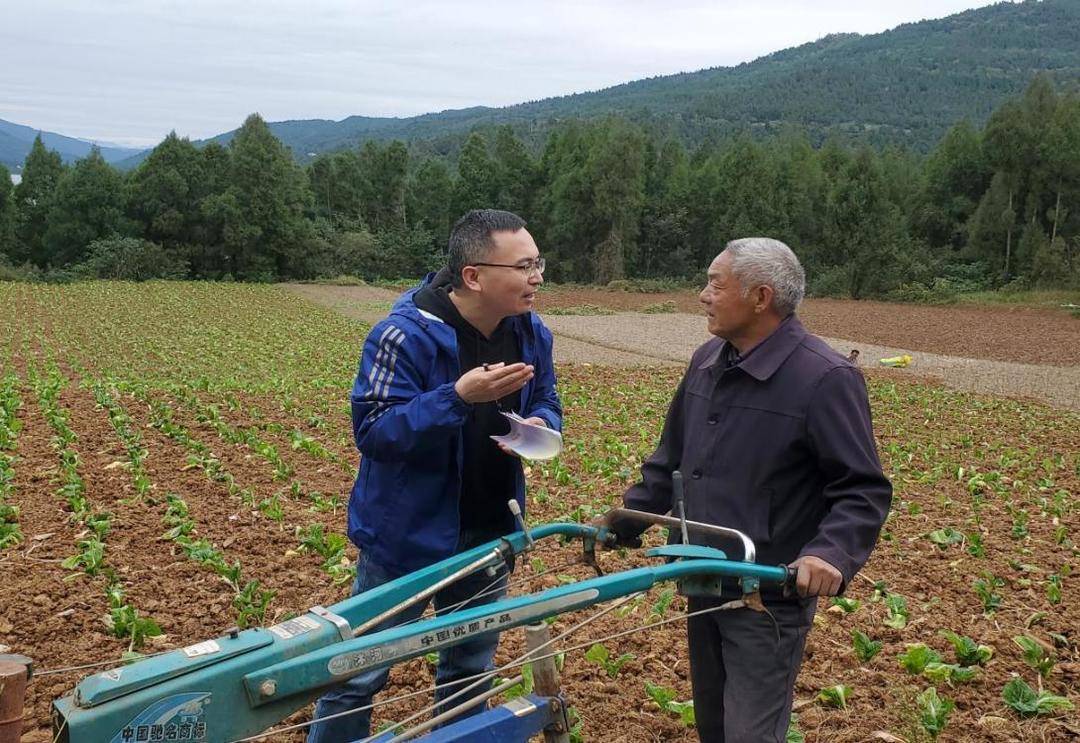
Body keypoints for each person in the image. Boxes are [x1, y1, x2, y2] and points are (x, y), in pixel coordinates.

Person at [613, 237, 892, 742]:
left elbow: (862, 488)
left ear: (761, 298)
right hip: (703, 579)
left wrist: (830, 553)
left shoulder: (824, 377)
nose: (702, 295)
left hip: (767, 594)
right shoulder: (706, 361)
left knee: (750, 734)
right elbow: (669, 461)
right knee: (714, 727)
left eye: (715, 284)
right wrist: (625, 520)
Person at [308, 209, 561, 742]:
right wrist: (458, 397)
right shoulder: (402, 336)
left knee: (469, 669)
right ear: (474, 276)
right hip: (408, 536)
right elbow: (375, 431)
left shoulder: (530, 331)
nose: (538, 276)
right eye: (524, 266)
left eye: (539, 263)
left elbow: (547, 397)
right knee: (358, 672)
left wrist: (541, 423)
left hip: (491, 530)